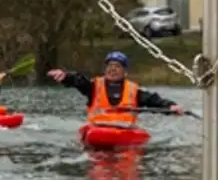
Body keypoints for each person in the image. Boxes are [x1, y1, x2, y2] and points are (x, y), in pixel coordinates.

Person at [46, 51, 183, 128]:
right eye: (110, 66)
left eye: (117, 66)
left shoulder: (134, 91)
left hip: (124, 132)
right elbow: (79, 81)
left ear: (125, 72)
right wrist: (65, 77)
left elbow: (155, 101)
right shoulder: (94, 86)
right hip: (97, 130)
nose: (112, 69)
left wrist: (171, 106)